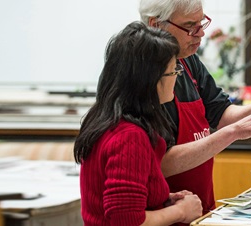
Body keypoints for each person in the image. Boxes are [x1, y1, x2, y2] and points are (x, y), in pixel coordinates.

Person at [139, 0, 251, 215]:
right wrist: (233, 133)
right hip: (165, 212)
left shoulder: (187, 60)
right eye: (190, 26)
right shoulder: (139, 77)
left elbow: (220, 112)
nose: (201, 33)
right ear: (156, 25)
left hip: (198, 206)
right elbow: (159, 163)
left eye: (202, 23)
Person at [73, 22, 202, 226]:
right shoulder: (130, 137)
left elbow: (121, 202)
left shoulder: (104, 118)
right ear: (150, 81)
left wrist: (162, 199)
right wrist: (180, 212)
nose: (176, 79)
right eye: (173, 72)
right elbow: (127, 221)